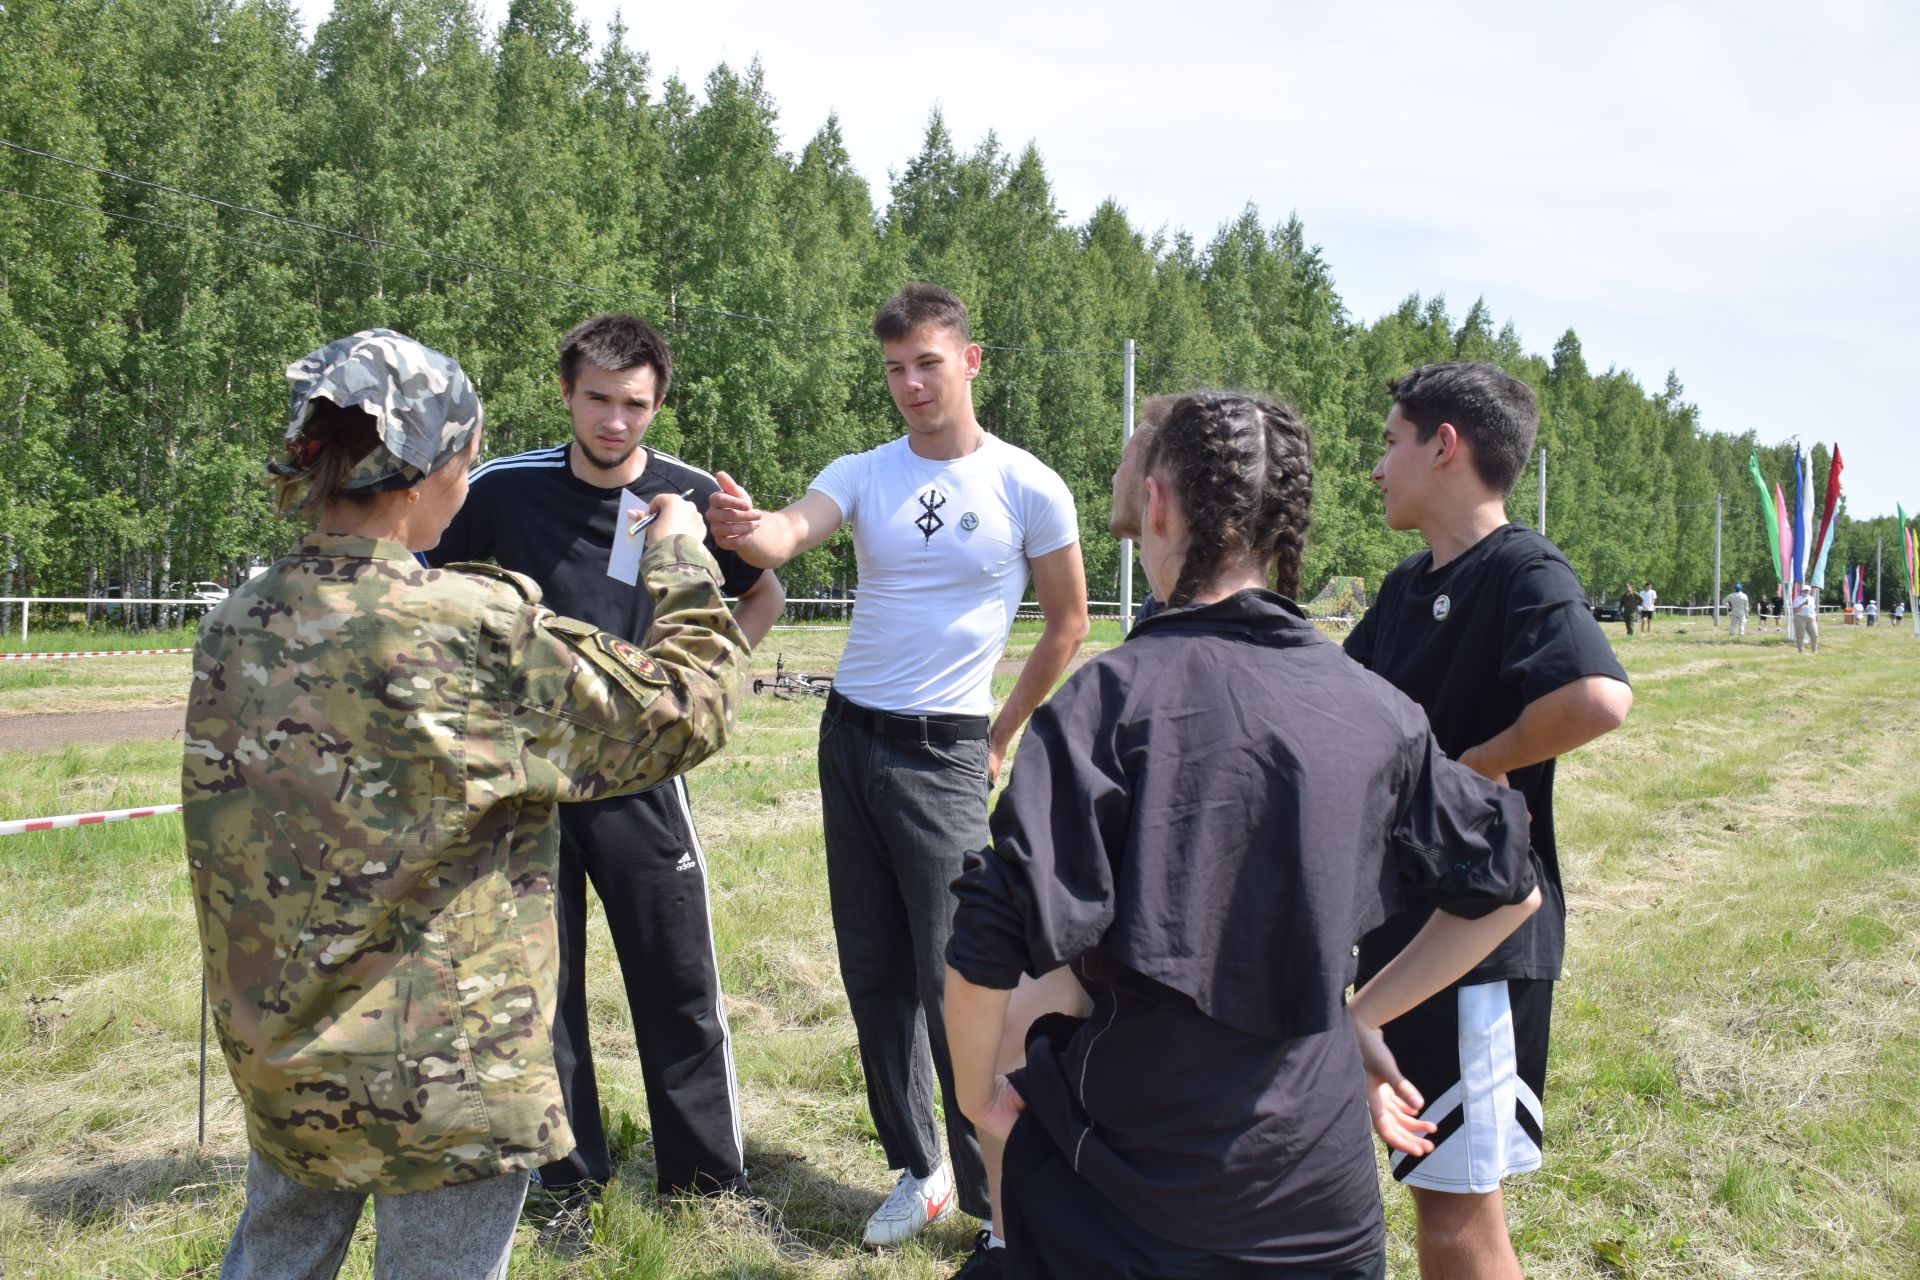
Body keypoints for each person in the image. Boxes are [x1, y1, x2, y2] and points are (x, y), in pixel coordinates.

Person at [184, 329, 748, 1279]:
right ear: (421, 471)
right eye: (467, 457)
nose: (473, 476)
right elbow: (685, 710)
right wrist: (683, 558)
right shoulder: (465, 629)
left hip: (285, 1056)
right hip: (442, 1075)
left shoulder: (237, 621)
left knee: (274, 1257)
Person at [943, 390, 1543, 1279]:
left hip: (1131, 1195)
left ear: (1157, 504)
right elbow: (1510, 886)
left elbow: (987, 939)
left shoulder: (1108, 701)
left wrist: (975, 1096)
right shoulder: (1377, 710)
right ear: (1286, 526)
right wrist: (1354, 1016)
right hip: (1322, 1208)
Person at [706, 283, 1089, 1265]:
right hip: (851, 738)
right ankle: (920, 1165)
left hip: (945, 747)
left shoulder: (1027, 484)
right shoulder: (864, 471)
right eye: (893, 369)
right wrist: (749, 528)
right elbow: (791, 531)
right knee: (873, 964)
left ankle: (1000, 1185)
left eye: (926, 363)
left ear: (969, 362)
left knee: (958, 969)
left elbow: (1067, 622)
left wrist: (999, 733)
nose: (910, 384)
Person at [423, 313, 783, 1227]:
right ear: (566, 393)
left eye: (634, 404)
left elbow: (763, 589)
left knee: (679, 987)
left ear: (657, 402)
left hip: (641, 786)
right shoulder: (502, 490)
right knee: (543, 997)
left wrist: (694, 695)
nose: (615, 421)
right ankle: (566, 1186)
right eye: (597, 399)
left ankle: (705, 1187)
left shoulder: (691, 495)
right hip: (528, 785)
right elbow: (429, 592)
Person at [1344, 362, 1632, 1280]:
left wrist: (1484, 761)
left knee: (1458, 1219)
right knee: (1439, 1203)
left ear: (1445, 445)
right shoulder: (1402, 589)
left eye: (1391, 441)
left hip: (1476, 947)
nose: (1378, 466)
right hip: (1405, 937)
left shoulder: (1521, 568)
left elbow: (1597, 697)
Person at [1793, 582, 1820, 653]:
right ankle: (1801, 652)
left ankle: (1815, 651)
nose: (1806, 592)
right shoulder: (1798, 599)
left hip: (1811, 618)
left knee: (1815, 635)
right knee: (1800, 636)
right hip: (1800, 617)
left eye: (1807, 590)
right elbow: (1795, 610)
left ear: (1809, 591)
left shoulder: (1811, 598)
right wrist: (1802, 604)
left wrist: (1815, 615)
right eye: (1804, 590)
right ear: (1802, 591)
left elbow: (1813, 608)